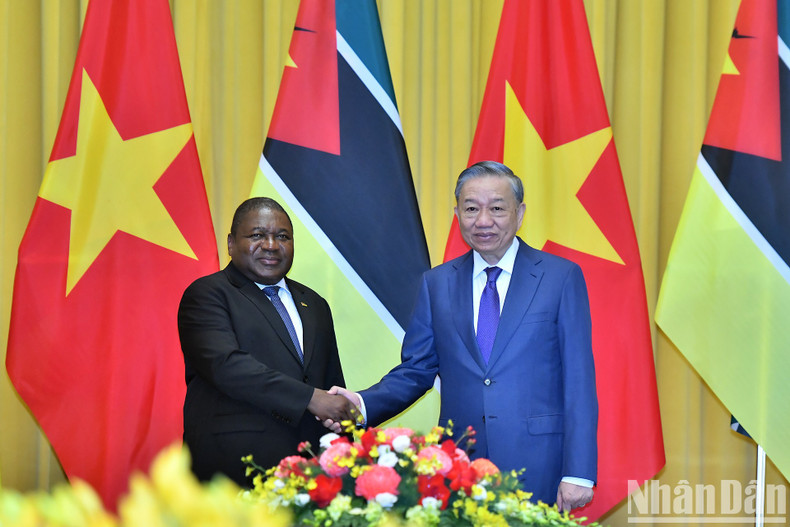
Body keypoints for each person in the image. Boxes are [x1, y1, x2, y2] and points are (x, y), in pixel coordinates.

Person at [330, 161, 598, 511]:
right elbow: (416, 370)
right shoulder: (436, 284)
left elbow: (579, 380)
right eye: (471, 208)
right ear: (457, 214)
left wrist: (579, 472)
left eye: (497, 208)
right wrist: (361, 404)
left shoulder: (560, 277)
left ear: (520, 213)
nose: (483, 221)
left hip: (539, 463)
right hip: (459, 463)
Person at [178, 197, 355, 486]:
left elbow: (331, 384)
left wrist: (348, 456)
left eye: (282, 236)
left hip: (313, 475)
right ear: (231, 243)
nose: (271, 245)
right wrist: (310, 399)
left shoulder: (315, 304)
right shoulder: (208, 294)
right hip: (236, 472)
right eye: (257, 235)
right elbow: (227, 367)